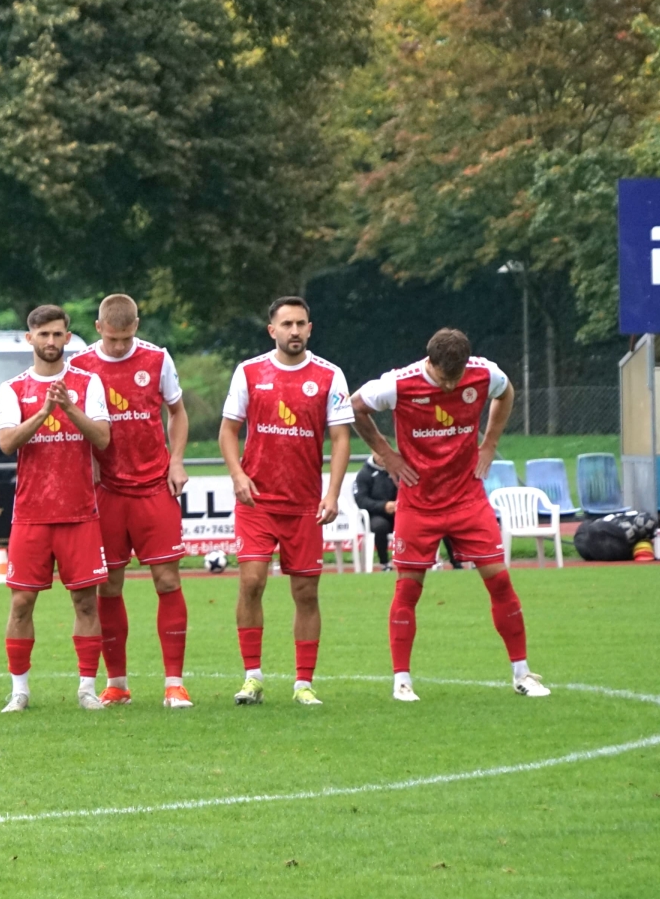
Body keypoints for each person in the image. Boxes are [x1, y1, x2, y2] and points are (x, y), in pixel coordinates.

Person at [351, 328, 548, 700]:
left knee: (500, 582)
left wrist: (489, 443)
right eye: (444, 379)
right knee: (408, 589)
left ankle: (522, 674)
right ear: (430, 362)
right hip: (418, 503)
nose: (451, 386)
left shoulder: (484, 373)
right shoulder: (398, 383)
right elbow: (355, 406)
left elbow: (506, 392)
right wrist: (387, 454)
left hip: (467, 499)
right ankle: (402, 681)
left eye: (456, 379)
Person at [219, 296, 353, 707]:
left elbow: (341, 438)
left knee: (306, 592)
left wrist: (332, 493)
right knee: (251, 581)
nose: (294, 331)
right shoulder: (249, 372)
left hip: (304, 505)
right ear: (272, 330)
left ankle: (303, 683)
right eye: (287, 324)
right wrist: (238, 475)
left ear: (310, 329)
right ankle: (252, 678)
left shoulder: (330, 375)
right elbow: (228, 431)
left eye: (301, 324)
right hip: (257, 502)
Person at [69, 294, 193, 708]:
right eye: (113, 338)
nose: (120, 346)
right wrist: (88, 462)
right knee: (108, 585)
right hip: (106, 491)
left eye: (127, 338)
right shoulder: (81, 365)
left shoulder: (158, 359)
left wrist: (177, 461)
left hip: (154, 485)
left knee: (167, 580)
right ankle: (117, 683)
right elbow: (74, 422)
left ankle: (174, 684)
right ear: (98, 327)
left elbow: (177, 412)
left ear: (136, 326)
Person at [0, 305, 113, 711]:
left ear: (68, 337)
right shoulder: (13, 389)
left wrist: (69, 408)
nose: (50, 341)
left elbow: (103, 439)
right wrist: (44, 411)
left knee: (85, 602)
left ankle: (87, 689)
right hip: (31, 514)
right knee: (21, 603)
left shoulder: (87, 382)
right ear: (30, 338)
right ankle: (19, 691)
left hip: (79, 513)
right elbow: (7, 443)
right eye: (43, 334)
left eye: (57, 334)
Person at [353, 455, 397, 569]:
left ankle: (416, 560)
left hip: (398, 512)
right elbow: (361, 500)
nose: (382, 456)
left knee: (414, 522)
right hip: (373, 515)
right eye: (379, 453)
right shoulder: (364, 474)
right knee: (380, 526)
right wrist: (383, 506)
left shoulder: (398, 470)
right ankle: (385, 563)